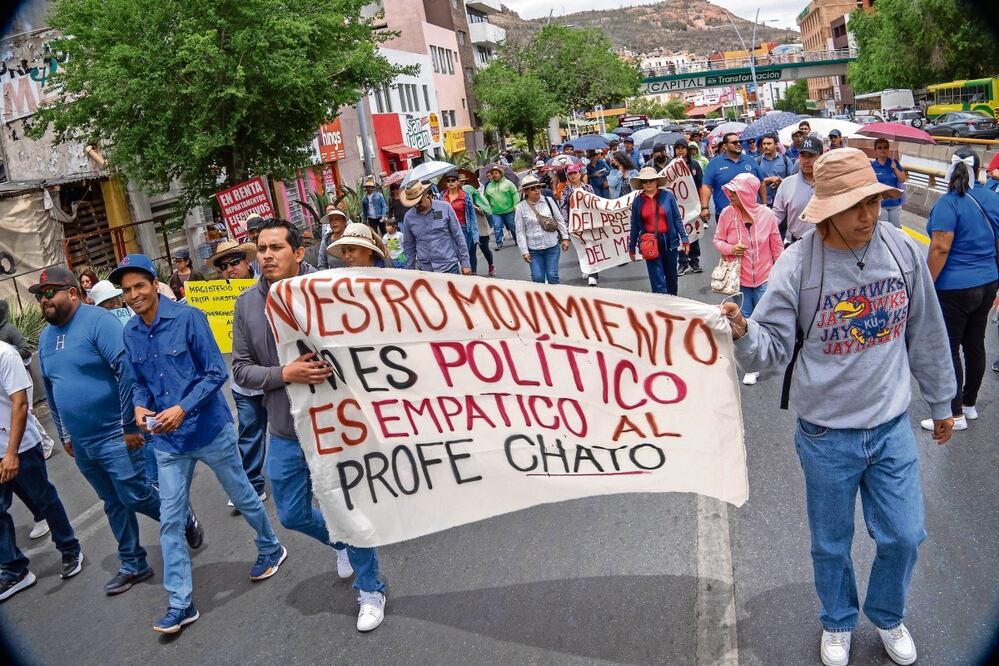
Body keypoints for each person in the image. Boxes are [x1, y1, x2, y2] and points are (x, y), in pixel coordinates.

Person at [721, 148, 955, 666]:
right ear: (825, 209)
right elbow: (771, 347)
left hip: (891, 427)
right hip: (826, 435)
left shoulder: (900, 250)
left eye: (873, 202)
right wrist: (742, 332)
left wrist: (943, 402)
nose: (868, 216)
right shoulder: (797, 265)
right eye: (855, 207)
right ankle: (838, 621)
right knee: (831, 543)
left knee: (905, 535)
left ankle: (888, 614)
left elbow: (927, 331)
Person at [112, 253, 286, 634]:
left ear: (154, 284)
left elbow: (213, 374)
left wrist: (182, 408)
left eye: (139, 285)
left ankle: (270, 546)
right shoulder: (130, 332)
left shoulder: (189, 318)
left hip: (209, 430)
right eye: (126, 290)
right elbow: (139, 380)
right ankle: (180, 603)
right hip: (167, 442)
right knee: (171, 520)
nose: (134, 294)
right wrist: (141, 407)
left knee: (243, 496)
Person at [232, 218, 388, 632]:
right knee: (292, 514)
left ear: (298, 253)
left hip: (335, 426)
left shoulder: (328, 290)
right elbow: (242, 371)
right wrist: (284, 374)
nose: (266, 255)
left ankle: (371, 588)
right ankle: (339, 543)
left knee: (347, 509)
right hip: (284, 430)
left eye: (275, 248)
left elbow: (366, 346)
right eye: (260, 248)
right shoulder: (247, 305)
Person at [33, 267, 203, 596]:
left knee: (135, 493)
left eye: (49, 293)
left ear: (71, 293)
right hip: (82, 442)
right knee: (111, 501)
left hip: (116, 432)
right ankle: (133, 563)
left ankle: (181, 515)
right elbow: (53, 389)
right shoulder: (46, 337)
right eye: (40, 296)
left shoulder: (99, 321)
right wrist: (65, 434)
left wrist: (128, 425)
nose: (43, 301)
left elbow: (125, 372)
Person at [921, 148, 999, 433]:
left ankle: (954, 414)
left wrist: (926, 284)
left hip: (953, 288)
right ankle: (969, 404)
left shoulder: (948, 203)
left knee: (949, 347)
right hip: (988, 282)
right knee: (975, 344)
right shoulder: (993, 198)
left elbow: (940, 248)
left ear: (951, 169)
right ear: (978, 171)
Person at [0, 339, 83, 602]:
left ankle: (70, 549)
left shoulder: (5, 354)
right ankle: (15, 570)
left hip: (20, 446)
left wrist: (11, 453)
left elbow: (21, 404)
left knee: (43, 499)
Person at [205, 240, 271, 506]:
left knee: (294, 430)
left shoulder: (267, 286)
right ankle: (253, 485)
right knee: (250, 431)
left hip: (276, 374)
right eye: (223, 266)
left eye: (234, 262)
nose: (229, 269)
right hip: (242, 381)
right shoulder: (209, 297)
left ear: (247, 262)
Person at [712, 173, 783, 385]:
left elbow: (777, 245)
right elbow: (717, 240)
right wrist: (731, 248)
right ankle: (751, 366)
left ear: (747, 193)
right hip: (739, 278)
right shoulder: (727, 214)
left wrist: (780, 273)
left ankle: (764, 356)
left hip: (765, 276)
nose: (730, 196)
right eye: (729, 192)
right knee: (744, 319)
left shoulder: (767, 215)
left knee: (763, 319)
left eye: (735, 192)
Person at [0, 302, 55, 465]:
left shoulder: (9, 329)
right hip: (5, 382)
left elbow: (25, 348)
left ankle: (45, 443)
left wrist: (9, 356)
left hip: (21, 376)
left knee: (25, 411)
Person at [627, 167, 689, 296]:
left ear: (656, 181)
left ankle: (673, 300)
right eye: (645, 181)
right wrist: (631, 247)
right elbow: (634, 225)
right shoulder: (638, 201)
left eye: (651, 180)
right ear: (642, 184)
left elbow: (677, 218)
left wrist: (685, 239)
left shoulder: (668, 196)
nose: (648, 183)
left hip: (669, 241)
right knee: (657, 279)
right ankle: (662, 305)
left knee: (671, 275)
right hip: (650, 243)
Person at [400, 181, 472, 274]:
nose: (417, 205)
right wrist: (410, 270)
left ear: (426, 195)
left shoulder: (445, 208)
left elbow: (458, 236)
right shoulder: (409, 217)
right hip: (426, 270)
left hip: (448, 266)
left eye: (419, 202)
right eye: (414, 204)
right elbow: (409, 245)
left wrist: (465, 263)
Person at [700, 132, 764, 226]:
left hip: (750, 212)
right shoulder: (714, 164)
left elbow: (761, 182)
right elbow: (707, 186)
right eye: (734, 142)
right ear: (725, 146)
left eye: (739, 142)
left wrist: (764, 204)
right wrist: (705, 208)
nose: (738, 144)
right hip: (725, 214)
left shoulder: (750, 161)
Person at [515, 175, 569, 284]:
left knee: (552, 275)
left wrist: (565, 238)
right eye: (533, 189)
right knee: (538, 278)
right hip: (534, 249)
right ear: (526, 191)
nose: (537, 190)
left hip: (552, 246)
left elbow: (559, 219)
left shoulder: (548, 201)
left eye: (538, 187)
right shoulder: (520, 208)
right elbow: (520, 231)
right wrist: (524, 251)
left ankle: (555, 299)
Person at [773, 136, 823, 243]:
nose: (806, 161)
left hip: (827, 243)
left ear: (821, 157)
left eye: (811, 156)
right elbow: (776, 216)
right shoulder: (787, 184)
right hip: (798, 242)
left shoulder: (831, 183)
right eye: (803, 156)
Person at [561, 163, 599, 286]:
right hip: (574, 225)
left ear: (580, 174)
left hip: (589, 223)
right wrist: (566, 226)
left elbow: (595, 204)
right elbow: (563, 208)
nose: (573, 176)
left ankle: (593, 272)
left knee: (590, 246)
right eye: (570, 174)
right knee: (581, 248)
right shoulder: (566, 191)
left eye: (575, 173)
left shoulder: (588, 188)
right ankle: (585, 268)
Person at [441, 171, 482, 276]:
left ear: (458, 182)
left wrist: (475, 235)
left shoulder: (465, 196)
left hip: (463, 229)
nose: (450, 183)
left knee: (465, 255)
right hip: (448, 231)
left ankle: (471, 276)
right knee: (451, 257)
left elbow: (472, 217)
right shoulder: (442, 198)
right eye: (448, 181)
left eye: (453, 180)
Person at [675, 140, 704, 276]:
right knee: (680, 234)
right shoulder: (672, 167)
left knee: (694, 232)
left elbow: (701, 185)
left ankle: (694, 260)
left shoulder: (695, 165)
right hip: (678, 206)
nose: (680, 151)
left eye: (683, 148)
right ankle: (682, 262)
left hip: (693, 205)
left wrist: (703, 205)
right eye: (678, 148)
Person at [460, 172, 496, 276]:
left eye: (463, 181)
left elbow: (486, 210)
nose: (461, 184)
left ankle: (491, 265)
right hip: (469, 228)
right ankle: (474, 272)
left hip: (481, 226)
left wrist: (474, 207)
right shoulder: (459, 196)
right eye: (460, 182)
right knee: (471, 251)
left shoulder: (476, 194)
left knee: (485, 248)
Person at [870, 139, 907, 228]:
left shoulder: (894, 163)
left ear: (889, 149)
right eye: (880, 148)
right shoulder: (872, 167)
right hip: (881, 204)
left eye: (885, 147)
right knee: (885, 230)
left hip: (895, 204)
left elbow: (902, 180)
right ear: (875, 150)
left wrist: (895, 168)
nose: (883, 149)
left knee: (896, 230)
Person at [757, 133, 797, 208]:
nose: (766, 146)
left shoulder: (785, 159)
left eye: (769, 144)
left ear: (776, 145)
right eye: (764, 144)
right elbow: (753, 182)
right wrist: (769, 179)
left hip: (782, 202)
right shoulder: (757, 161)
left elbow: (793, 180)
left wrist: (780, 181)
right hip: (764, 204)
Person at [483, 165, 518, 250]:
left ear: (500, 174)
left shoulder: (508, 183)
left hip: (509, 210)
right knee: (497, 227)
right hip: (496, 212)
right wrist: (488, 207)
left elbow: (515, 194)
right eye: (493, 173)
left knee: (512, 226)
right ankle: (499, 243)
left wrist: (515, 205)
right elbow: (486, 197)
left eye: (496, 173)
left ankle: (517, 240)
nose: (494, 175)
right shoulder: (489, 185)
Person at [316, 205, 349, 271]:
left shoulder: (352, 237)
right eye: (331, 220)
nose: (334, 222)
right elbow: (321, 265)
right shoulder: (326, 240)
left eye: (337, 219)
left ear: (344, 221)